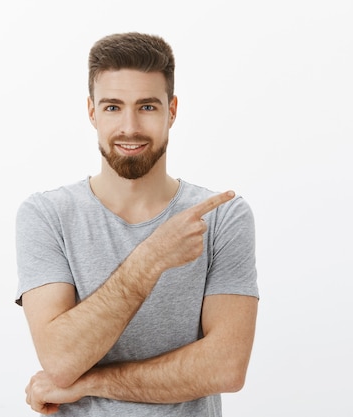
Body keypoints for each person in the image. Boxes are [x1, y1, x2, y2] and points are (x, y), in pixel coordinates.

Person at [15, 32, 259, 416]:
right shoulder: (47, 215)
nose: (129, 127)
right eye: (113, 107)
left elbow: (226, 367)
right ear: (92, 111)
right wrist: (150, 259)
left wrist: (90, 383)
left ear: (172, 110)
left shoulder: (222, 216)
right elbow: (60, 361)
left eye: (147, 106)